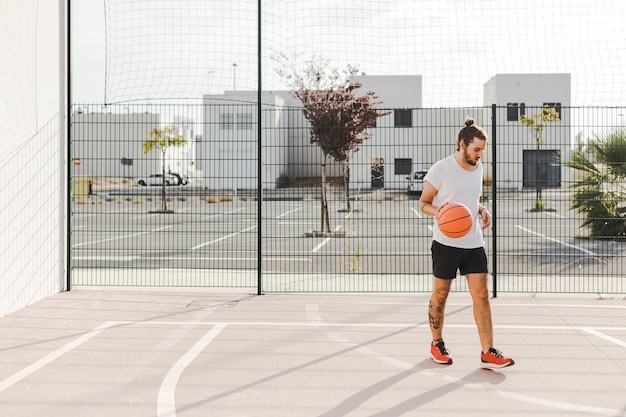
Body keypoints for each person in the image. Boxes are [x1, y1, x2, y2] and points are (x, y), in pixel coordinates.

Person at [419, 117, 514, 369]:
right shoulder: (441, 169)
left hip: (473, 242)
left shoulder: (479, 167)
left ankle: (488, 351)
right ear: (462, 144)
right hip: (446, 242)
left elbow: (468, 199)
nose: (480, 155)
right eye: (476, 149)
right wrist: (440, 211)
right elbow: (424, 204)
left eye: (483, 150)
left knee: (481, 296)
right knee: (441, 294)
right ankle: (436, 344)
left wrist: (481, 209)